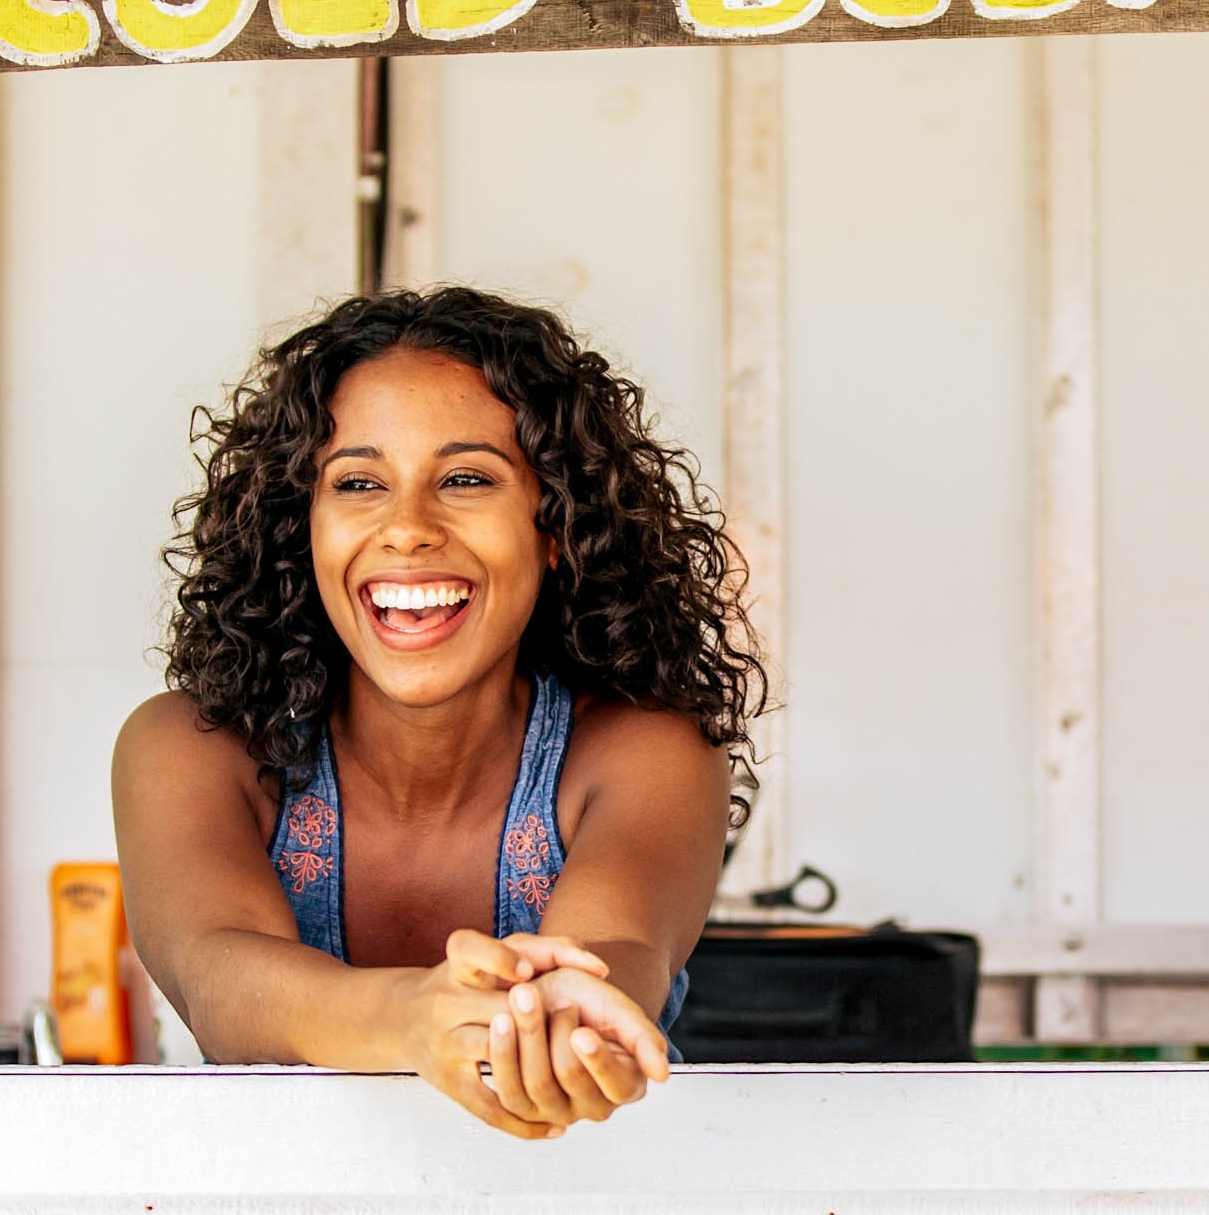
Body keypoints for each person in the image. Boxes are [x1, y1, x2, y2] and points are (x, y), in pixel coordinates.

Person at [113, 287, 763, 1138]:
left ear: (556, 522)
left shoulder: (646, 751)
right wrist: (416, 1017)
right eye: (357, 482)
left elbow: (618, 951)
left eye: (465, 478)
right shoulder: (190, 749)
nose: (407, 528)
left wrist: (576, 1021)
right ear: (298, 526)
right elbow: (220, 979)